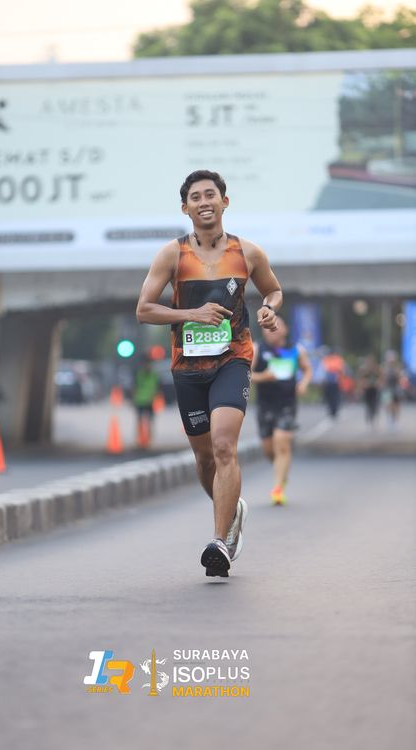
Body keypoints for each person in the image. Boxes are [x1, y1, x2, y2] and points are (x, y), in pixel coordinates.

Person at [136, 169, 282, 578]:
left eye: (210, 195)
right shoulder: (172, 255)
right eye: (196, 197)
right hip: (187, 367)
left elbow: (273, 290)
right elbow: (144, 309)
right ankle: (231, 511)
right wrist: (192, 314)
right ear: (185, 208)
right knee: (204, 458)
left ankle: (221, 541)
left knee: (223, 446)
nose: (204, 202)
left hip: (233, 359)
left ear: (224, 202)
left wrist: (269, 308)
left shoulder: (248, 253)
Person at [251, 317, 312, 506]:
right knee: (269, 449)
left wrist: (303, 383)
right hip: (265, 404)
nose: (273, 331)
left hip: (287, 403)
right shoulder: (257, 349)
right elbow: (246, 374)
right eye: (268, 328)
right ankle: (281, 473)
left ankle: (277, 488)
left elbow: (307, 369)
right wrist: (263, 377)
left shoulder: (296, 349)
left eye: (276, 327)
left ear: (285, 329)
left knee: (282, 442)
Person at [132, 354, 161, 447]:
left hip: (150, 401)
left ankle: (148, 440)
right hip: (140, 401)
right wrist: (133, 399)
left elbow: (157, 387)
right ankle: (140, 440)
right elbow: (134, 387)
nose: (147, 366)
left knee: (150, 421)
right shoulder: (139, 374)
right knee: (140, 421)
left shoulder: (154, 375)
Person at [380, 350, 404, 426]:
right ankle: (389, 418)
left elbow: (399, 378)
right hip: (386, 388)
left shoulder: (397, 368)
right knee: (387, 404)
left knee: (396, 405)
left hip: (395, 388)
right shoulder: (384, 368)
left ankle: (395, 421)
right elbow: (382, 379)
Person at [320, 348, 345, 418]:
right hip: (330, 382)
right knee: (331, 397)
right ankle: (332, 410)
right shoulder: (327, 359)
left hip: (335, 381)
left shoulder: (336, 359)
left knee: (333, 397)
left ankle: (334, 410)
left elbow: (341, 370)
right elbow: (323, 371)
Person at [357, 355, 382, 423]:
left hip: (374, 388)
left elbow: (381, 377)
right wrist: (362, 386)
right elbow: (360, 378)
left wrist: (378, 383)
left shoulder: (377, 368)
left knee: (374, 402)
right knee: (368, 403)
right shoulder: (364, 369)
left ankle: (374, 414)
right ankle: (369, 415)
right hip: (367, 389)